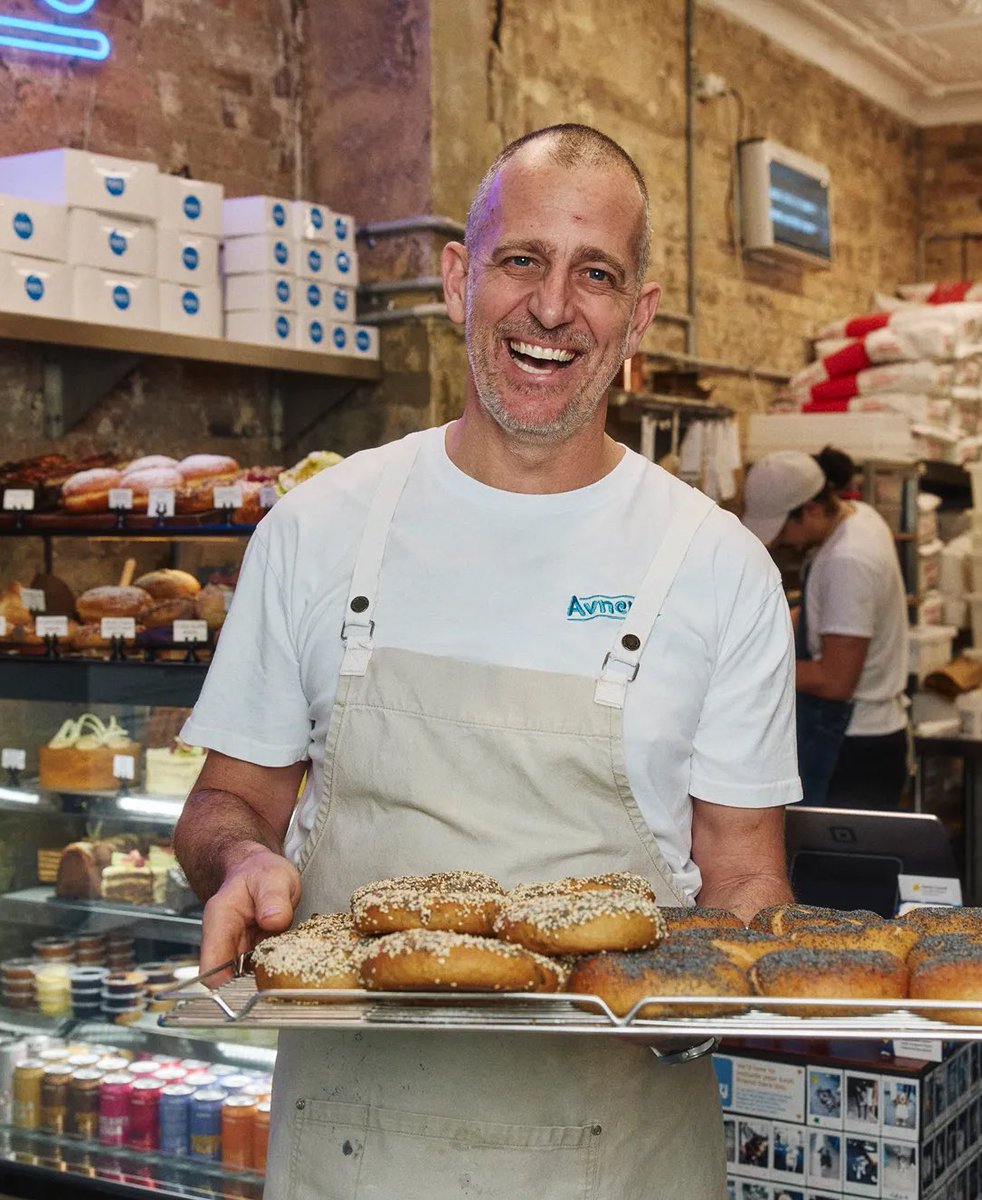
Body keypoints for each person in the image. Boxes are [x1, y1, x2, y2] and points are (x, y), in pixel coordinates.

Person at [171, 123, 801, 1200]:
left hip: (616, 1147)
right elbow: (227, 801)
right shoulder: (320, 528)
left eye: (593, 273)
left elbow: (743, 875)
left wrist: (702, 1012)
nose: (552, 308)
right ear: (460, 277)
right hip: (352, 1148)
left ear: (635, 313)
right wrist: (240, 863)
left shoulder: (716, 567)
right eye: (521, 259)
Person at [741, 446, 909, 808]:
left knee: (838, 865)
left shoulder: (849, 560)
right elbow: (827, 613)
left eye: (783, 529)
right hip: (857, 738)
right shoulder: (859, 517)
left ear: (811, 509)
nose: (780, 541)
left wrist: (745, 669)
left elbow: (835, 680)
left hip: (855, 749)